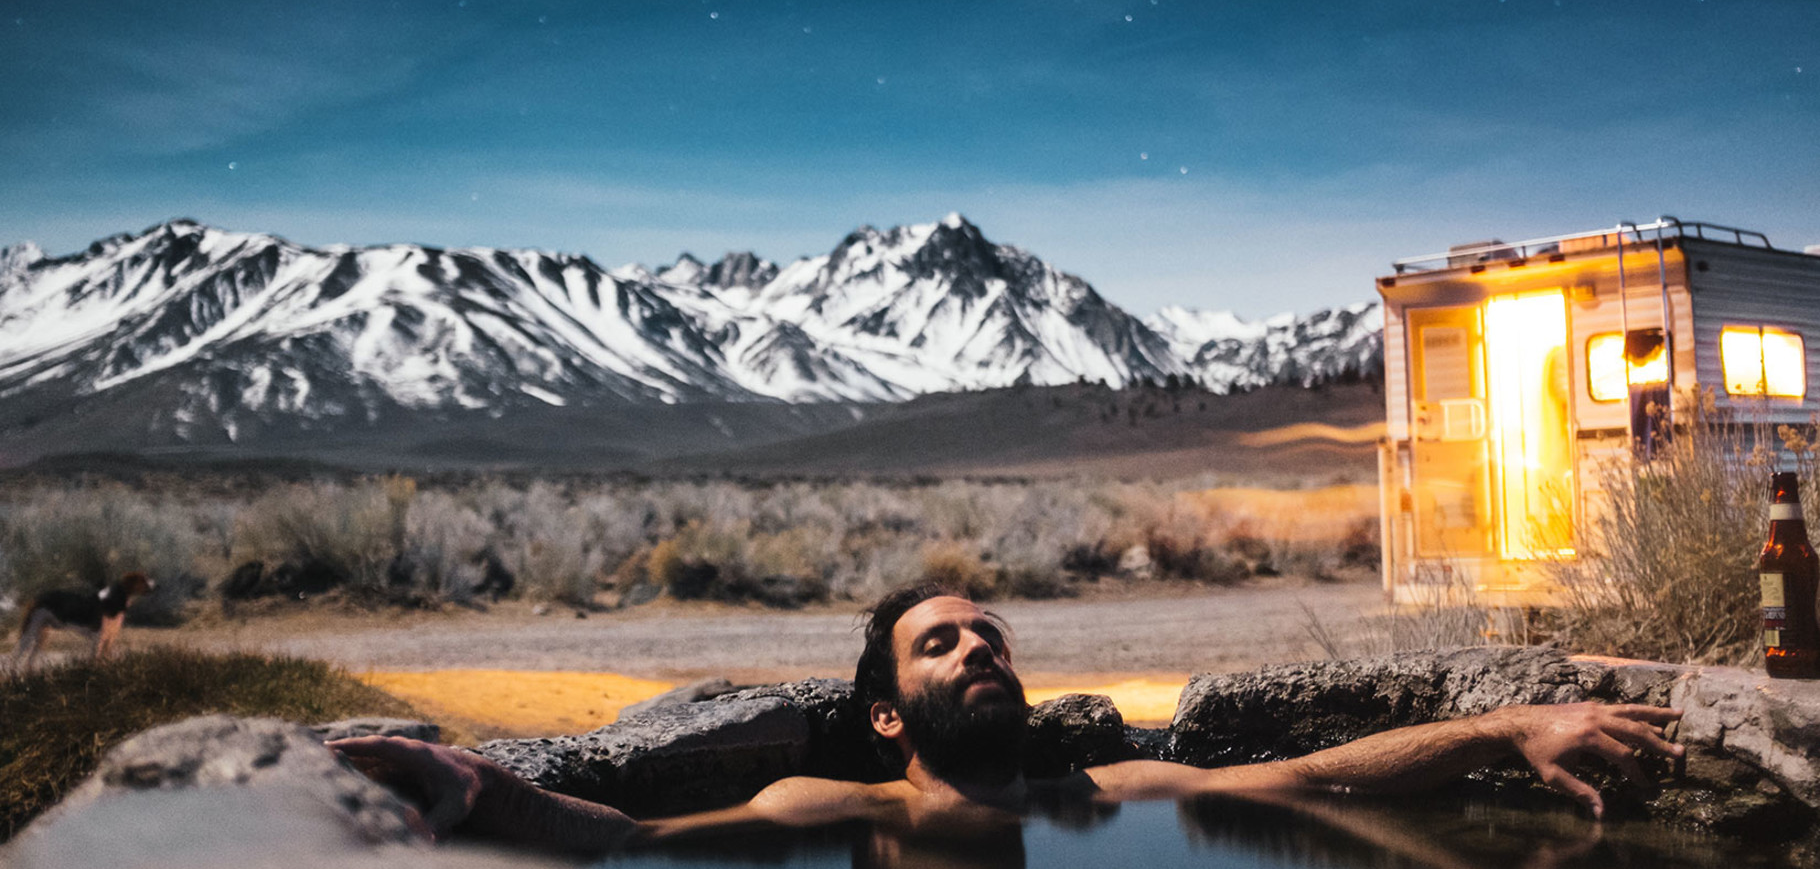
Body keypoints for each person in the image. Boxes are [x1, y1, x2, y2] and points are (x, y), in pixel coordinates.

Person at [329, 581, 1683, 853]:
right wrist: (474, 785)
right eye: (941, 639)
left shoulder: (1115, 795)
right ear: (881, 716)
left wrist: (1510, 730)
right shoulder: (830, 809)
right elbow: (627, 843)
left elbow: (1324, 771)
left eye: (990, 633)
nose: (978, 644)